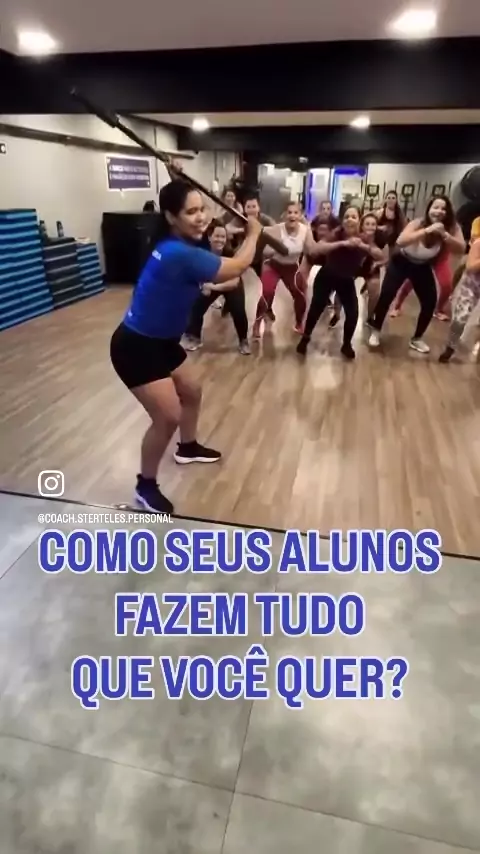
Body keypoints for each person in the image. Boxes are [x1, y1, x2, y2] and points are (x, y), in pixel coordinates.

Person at [109, 179, 263, 514]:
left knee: (191, 390)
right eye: (191, 212)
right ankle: (145, 486)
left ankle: (188, 447)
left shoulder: (177, 240)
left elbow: (206, 235)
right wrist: (253, 234)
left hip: (162, 340)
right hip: (136, 347)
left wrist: (174, 176)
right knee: (167, 417)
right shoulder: (178, 254)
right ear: (170, 217)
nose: (201, 217)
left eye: (202, 209)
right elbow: (237, 267)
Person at [367, 195, 466, 354]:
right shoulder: (418, 223)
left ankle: (417, 338)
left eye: (443, 208)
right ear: (429, 210)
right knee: (387, 295)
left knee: (429, 302)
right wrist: (427, 230)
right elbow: (401, 241)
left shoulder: (452, 227)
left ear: (448, 212)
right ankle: (376, 330)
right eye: (435, 207)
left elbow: (461, 248)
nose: (439, 211)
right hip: (401, 262)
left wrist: (444, 235)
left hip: (422, 266)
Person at [296, 206, 384, 360]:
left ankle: (346, 345)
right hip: (327, 276)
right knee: (316, 308)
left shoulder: (364, 238)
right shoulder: (337, 233)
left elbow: (380, 255)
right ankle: (305, 338)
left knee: (353, 313)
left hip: (346, 280)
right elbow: (317, 248)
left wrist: (361, 245)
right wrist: (343, 243)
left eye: (353, 217)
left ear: (359, 221)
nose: (350, 220)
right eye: (347, 217)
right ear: (343, 221)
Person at [183, 221, 251, 355]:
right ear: (209, 237)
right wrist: (203, 286)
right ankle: (194, 337)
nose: (220, 240)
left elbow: (234, 282)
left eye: (223, 237)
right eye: (217, 236)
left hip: (229, 284)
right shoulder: (202, 253)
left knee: (238, 310)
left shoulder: (230, 254)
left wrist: (213, 287)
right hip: (211, 283)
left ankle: (243, 340)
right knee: (195, 305)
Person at [252, 201, 309, 337]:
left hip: (291, 267)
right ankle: (257, 323)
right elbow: (262, 244)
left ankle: (299, 323)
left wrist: (304, 269)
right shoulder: (276, 229)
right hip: (273, 265)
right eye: (289, 212)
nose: (292, 215)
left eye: (295, 212)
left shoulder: (305, 230)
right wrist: (273, 249)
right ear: (284, 215)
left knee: (300, 293)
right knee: (267, 292)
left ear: (300, 215)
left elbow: (310, 250)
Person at [329, 212, 388, 328]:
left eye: (373, 224)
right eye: (367, 224)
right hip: (354, 266)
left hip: (371, 267)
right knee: (341, 289)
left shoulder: (380, 238)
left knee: (375, 291)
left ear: (376, 226)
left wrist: (377, 264)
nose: (370, 227)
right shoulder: (356, 237)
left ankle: (370, 317)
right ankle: (336, 314)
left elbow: (386, 258)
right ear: (362, 225)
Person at [439, 217, 480, 362]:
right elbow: (470, 266)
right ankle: (450, 347)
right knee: (460, 319)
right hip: (471, 286)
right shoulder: (478, 244)